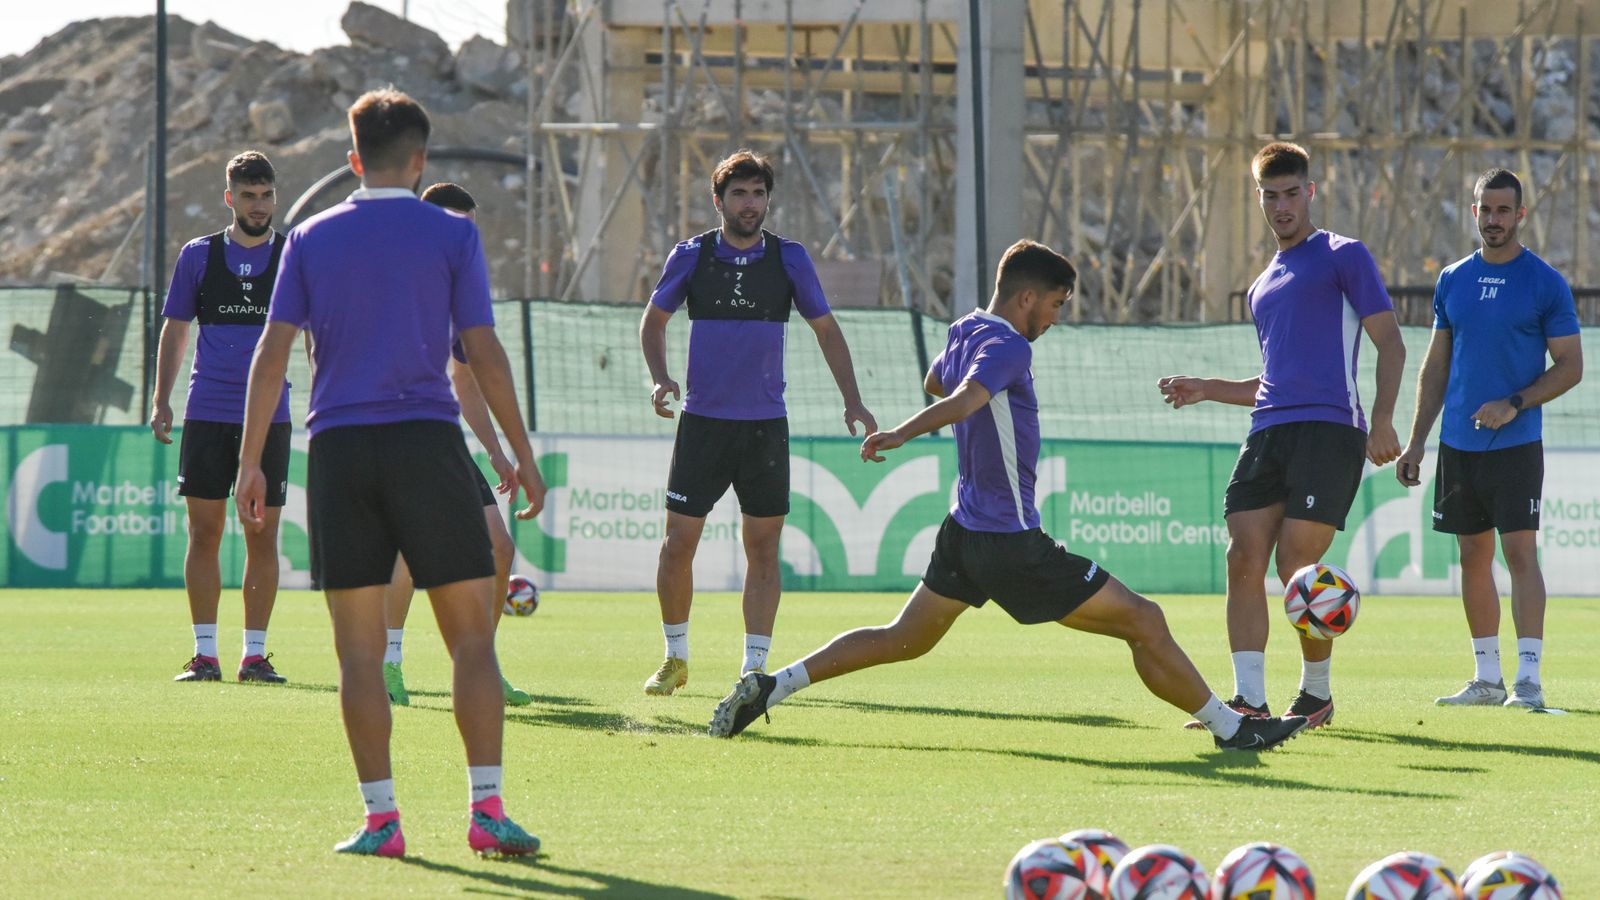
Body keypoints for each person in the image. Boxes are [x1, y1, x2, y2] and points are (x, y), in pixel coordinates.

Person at [709, 239, 1309, 752]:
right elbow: (964, 397)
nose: (1053, 318)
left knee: (903, 638)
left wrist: (962, 404)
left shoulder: (967, 328)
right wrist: (905, 430)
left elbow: (936, 379)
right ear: (1027, 298)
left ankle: (772, 684)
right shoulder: (1010, 346)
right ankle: (1234, 730)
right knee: (1145, 621)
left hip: (964, 532)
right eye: (1054, 305)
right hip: (1009, 541)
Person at [236, 89, 546, 858]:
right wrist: (523, 456)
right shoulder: (450, 234)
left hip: (339, 449)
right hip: (425, 442)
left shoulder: (307, 235)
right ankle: (486, 812)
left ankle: (382, 822)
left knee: (358, 652)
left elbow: (271, 355)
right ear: (419, 162)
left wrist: (250, 460)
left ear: (351, 159)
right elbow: (486, 354)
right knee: (473, 640)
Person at [1158, 141, 1405, 730]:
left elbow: (1390, 341)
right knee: (1242, 556)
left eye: (1292, 193)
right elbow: (1274, 379)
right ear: (1260, 199)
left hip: (1330, 429)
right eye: (1271, 195)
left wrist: (1386, 418)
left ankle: (1315, 694)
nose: (1282, 205)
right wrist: (1208, 386)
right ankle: (1248, 700)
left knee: (1296, 563)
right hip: (1267, 429)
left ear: (1310, 192)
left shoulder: (1344, 255)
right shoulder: (1260, 286)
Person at [638, 149, 876, 695]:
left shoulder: (788, 258)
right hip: (702, 424)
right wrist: (660, 376)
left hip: (765, 427)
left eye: (759, 194)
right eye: (740, 194)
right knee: (677, 544)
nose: (751, 203)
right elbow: (653, 322)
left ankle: (753, 667)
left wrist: (854, 401)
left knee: (764, 549)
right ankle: (675, 657)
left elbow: (827, 331)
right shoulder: (692, 255)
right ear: (718, 200)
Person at [1397, 168, 1583, 710]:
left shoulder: (1545, 282)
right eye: (1486, 209)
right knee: (1471, 556)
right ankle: (1486, 679)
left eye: (1505, 210)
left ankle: (1528, 681)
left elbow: (1570, 366)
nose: (1494, 219)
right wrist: (1416, 442)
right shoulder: (1452, 278)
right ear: (1473, 210)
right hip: (1457, 445)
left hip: (1517, 445)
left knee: (1520, 554)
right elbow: (1436, 367)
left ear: (1520, 215)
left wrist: (1515, 403)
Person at [379, 181, 530, 710]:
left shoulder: (460, 286)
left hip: (441, 433)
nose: (460, 238)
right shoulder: (393, 276)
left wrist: (495, 449)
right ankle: (387, 664)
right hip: (394, 429)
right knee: (412, 552)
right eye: (451, 225)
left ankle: (480, 666)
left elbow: (466, 379)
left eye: (468, 229)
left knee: (500, 548)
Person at [151, 150, 291, 686]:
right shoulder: (199, 255)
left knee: (261, 533)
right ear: (229, 197)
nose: (259, 205)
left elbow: (313, 337)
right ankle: (204, 654)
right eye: (249, 196)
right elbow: (176, 330)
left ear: (276, 196)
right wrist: (162, 399)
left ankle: (254, 655)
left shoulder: (292, 256)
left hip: (270, 416)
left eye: (267, 195)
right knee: (205, 532)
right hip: (208, 411)